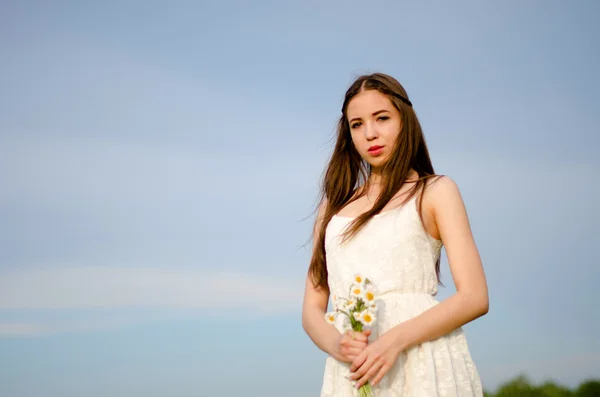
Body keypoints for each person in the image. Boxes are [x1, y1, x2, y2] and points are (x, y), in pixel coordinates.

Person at [301, 73, 489, 396]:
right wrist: (340, 346)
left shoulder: (435, 192)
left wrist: (393, 341)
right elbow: (311, 310)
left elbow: (475, 297)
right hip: (355, 371)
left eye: (382, 118)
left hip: (422, 363)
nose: (370, 133)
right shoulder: (332, 210)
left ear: (405, 121)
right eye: (356, 124)